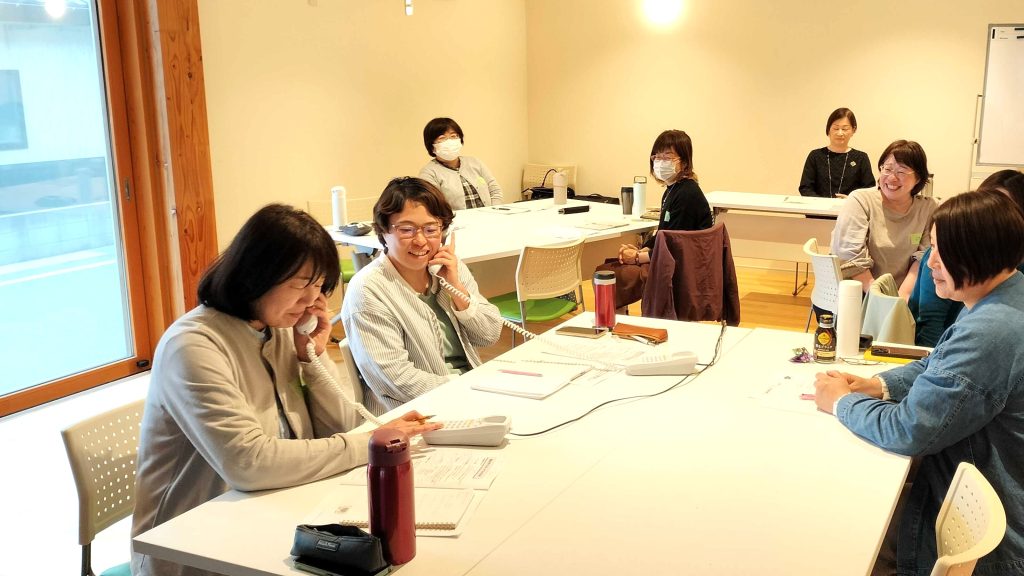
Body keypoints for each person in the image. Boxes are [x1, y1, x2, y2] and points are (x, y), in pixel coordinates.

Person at [131, 204, 439, 576]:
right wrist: (368, 445)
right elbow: (249, 464)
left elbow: (338, 429)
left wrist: (311, 357)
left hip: (273, 517)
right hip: (193, 552)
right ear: (257, 275)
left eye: (319, 287)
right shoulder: (194, 345)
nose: (313, 301)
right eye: (301, 285)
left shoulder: (276, 329)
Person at [814, 190, 1024, 574]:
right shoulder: (1007, 293)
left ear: (977, 252)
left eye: (941, 251)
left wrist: (841, 402)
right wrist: (877, 385)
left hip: (980, 537)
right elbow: (939, 364)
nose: (930, 263)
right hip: (964, 483)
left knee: (833, 532)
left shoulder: (991, 331)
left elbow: (909, 430)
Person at [341, 177, 503, 415]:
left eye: (431, 229)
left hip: (468, 394)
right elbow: (397, 379)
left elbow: (488, 335)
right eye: (406, 230)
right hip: (414, 413)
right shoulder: (367, 291)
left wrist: (457, 288)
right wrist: (467, 388)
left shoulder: (449, 269)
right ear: (384, 231)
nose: (420, 241)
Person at [597, 129, 713, 309]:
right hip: (674, 261)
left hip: (681, 271)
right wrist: (641, 249)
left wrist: (637, 258)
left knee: (607, 273)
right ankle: (618, 319)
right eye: (657, 157)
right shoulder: (673, 190)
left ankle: (613, 320)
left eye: (668, 157)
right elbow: (664, 233)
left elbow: (674, 248)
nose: (660, 162)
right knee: (611, 268)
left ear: (684, 162)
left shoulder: (686, 194)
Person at [908, 170, 1024, 346]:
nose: (993, 216)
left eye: (1005, 209)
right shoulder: (945, 261)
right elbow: (930, 323)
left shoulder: (991, 323)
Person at [830, 140, 937, 295]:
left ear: (918, 178)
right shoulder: (861, 200)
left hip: (902, 294)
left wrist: (902, 297)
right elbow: (849, 255)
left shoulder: (927, 208)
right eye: (887, 169)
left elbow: (924, 257)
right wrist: (878, 297)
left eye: (901, 172)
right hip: (857, 293)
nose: (892, 178)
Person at [418, 117, 503, 210]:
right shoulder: (429, 173)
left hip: (490, 215)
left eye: (453, 136)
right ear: (431, 146)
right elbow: (434, 206)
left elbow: (495, 190)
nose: (449, 141)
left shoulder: (475, 162)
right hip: (455, 219)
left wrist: (494, 211)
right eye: (442, 138)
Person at [799, 107, 876, 199]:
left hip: (851, 207)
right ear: (828, 130)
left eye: (845, 129)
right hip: (818, 207)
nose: (840, 133)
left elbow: (869, 189)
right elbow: (805, 188)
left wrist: (851, 200)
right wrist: (823, 202)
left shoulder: (861, 158)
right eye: (836, 128)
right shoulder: (815, 156)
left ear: (853, 130)